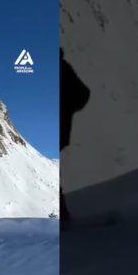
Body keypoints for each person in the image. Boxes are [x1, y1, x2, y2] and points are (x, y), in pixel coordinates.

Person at [60, 47, 91, 230]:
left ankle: (63, 215)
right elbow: (83, 94)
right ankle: (62, 214)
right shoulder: (62, 68)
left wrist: (66, 109)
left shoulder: (61, 69)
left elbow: (82, 94)